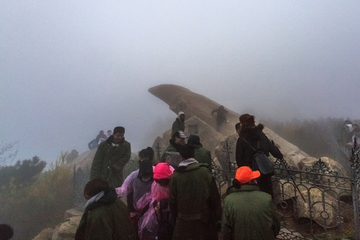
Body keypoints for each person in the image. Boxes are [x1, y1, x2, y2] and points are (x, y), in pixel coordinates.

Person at [169, 144, 222, 240]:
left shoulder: (175, 177)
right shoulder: (205, 173)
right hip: (205, 224)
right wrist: (216, 219)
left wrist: (179, 217)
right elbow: (215, 199)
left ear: (181, 157)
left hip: (183, 226)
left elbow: (172, 202)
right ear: (194, 155)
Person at [221, 166, 280, 240]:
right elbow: (276, 225)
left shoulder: (228, 201)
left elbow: (225, 230)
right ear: (251, 181)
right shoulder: (267, 198)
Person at [236, 114, 283, 198]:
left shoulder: (242, 139)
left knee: (254, 196)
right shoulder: (261, 135)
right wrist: (280, 155)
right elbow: (274, 150)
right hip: (265, 170)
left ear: (242, 124)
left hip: (251, 175)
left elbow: (239, 160)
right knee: (267, 194)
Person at [115, 148, 155, 237]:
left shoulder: (157, 172)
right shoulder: (134, 175)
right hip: (136, 210)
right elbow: (124, 189)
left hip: (152, 209)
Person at [136, 162, 175, 240]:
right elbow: (154, 197)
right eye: (158, 181)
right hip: (161, 213)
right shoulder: (156, 184)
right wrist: (156, 205)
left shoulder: (174, 182)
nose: (160, 184)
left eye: (162, 182)